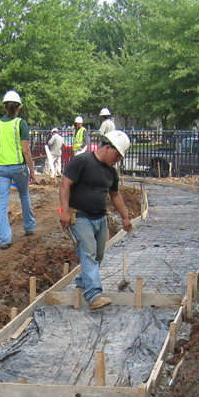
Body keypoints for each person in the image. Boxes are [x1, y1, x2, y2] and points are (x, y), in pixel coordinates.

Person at [59, 131, 133, 310]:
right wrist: (65, 211)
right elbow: (65, 185)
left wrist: (125, 217)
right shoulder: (82, 161)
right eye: (117, 155)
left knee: (98, 255)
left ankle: (83, 284)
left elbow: (115, 195)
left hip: (100, 218)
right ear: (108, 147)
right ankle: (93, 295)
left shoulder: (111, 172)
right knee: (89, 254)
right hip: (81, 217)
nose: (117, 160)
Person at [0, 91, 36, 249]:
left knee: (3, 202)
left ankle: (4, 239)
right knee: (24, 195)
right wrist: (32, 170)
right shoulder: (20, 123)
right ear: (18, 107)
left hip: (1, 169)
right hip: (19, 168)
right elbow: (26, 150)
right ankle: (29, 227)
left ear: (4, 107)